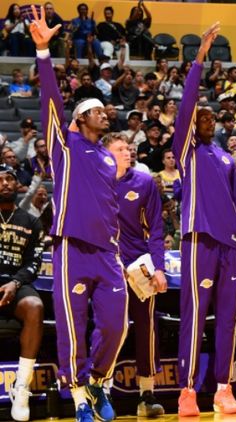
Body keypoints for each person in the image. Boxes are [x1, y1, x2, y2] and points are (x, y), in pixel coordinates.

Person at [31, 6, 128, 421]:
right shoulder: (65, 148)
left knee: (116, 325)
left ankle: (98, 380)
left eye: (106, 111)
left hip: (108, 252)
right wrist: (43, 53)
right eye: (97, 110)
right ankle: (78, 396)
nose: (106, 114)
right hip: (72, 248)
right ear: (80, 118)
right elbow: (51, 103)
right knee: (73, 327)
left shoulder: (108, 157)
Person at [171, 23, 236, 417]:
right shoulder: (187, 150)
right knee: (194, 316)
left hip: (230, 246)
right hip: (199, 240)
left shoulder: (224, 157)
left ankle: (224, 389)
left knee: (227, 320)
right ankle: (187, 390)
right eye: (200, 117)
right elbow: (188, 104)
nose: (205, 120)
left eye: (210, 118)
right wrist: (200, 58)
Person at [103, 133, 167, 416]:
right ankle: (102, 390)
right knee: (109, 328)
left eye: (128, 149)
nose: (127, 153)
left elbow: (156, 229)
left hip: (139, 266)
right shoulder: (96, 182)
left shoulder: (144, 182)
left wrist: (159, 268)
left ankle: (147, 394)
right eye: (120, 149)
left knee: (146, 326)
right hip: (106, 266)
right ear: (107, 154)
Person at [0, 164, 44, 422]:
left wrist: (15, 283)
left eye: (10, 179)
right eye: (0, 180)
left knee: (35, 307)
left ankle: (21, 387)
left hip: (15, 282)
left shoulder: (31, 221)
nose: (5, 183)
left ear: (17, 185)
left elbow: (34, 263)